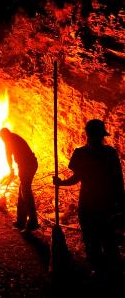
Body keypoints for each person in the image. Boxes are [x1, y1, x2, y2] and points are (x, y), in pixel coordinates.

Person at [53, 119, 124, 277]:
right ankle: (110, 272)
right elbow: (118, 180)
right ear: (100, 135)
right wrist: (121, 202)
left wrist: (62, 183)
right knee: (104, 238)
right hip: (104, 203)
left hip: (90, 203)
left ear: (87, 134)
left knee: (95, 238)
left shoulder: (82, 153)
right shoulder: (109, 153)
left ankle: (101, 270)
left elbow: (77, 178)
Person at [0, 127, 39, 232]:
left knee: (25, 192)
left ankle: (33, 222)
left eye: (2, 138)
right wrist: (11, 170)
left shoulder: (9, 139)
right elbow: (10, 155)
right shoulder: (12, 137)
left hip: (27, 165)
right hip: (27, 164)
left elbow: (8, 156)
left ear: (4, 136)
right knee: (22, 192)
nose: (2, 141)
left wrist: (11, 170)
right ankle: (21, 221)